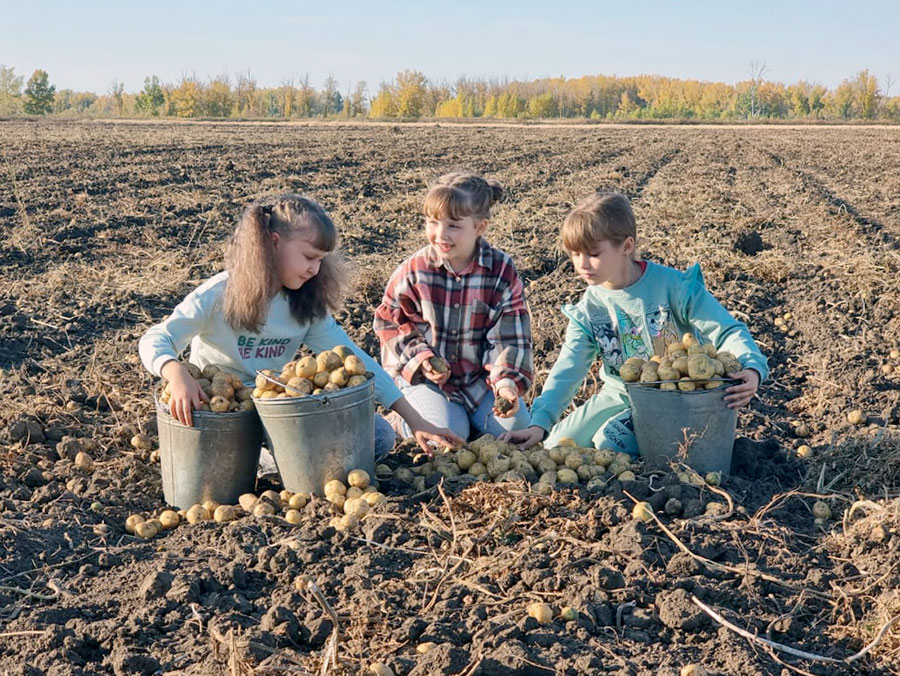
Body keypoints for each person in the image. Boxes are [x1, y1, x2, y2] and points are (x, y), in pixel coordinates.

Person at [139, 193, 462, 457]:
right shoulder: (220, 293)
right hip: (218, 410)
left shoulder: (305, 304)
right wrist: (175, 372)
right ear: (274, 243)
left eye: (321, 260)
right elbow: (157, 337)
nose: (315, 269)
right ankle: (264, 459)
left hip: (276, 408)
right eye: (309, 257)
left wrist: (415, 419)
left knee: (377, 435)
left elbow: (355, 359)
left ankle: (269, 459)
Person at [501, 191, 768, 453]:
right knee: (556, 446)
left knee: (609, 442)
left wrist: (752, 368)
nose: (582, 264)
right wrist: (539, 423)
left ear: (627, 247)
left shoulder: (675, 287)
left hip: (675, 397)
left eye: (593, 253)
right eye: (574, 254)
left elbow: (726, 330)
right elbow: (568, 369)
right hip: (618, 394)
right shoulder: (590, 309)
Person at [374, 172, 533, 441]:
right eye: (433, 222)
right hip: (427, 382)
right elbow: (391, 322)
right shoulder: (415, 271)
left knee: (515, 432)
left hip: (479, 383)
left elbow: (509, 338)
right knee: (447, 437)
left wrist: (506, 384)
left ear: (480, 227)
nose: (440, 234)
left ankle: (467, 418)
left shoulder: (500, 271)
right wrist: (422, 359)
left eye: (454, 226)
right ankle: (401, 422)